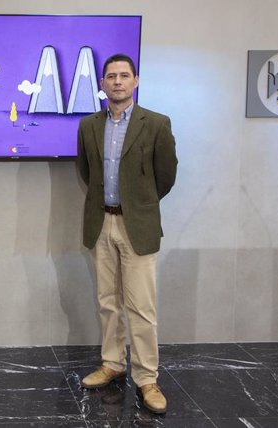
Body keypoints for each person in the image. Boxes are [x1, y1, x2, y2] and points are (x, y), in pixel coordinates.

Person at [76, 54, 177, 414]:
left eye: (124, 76)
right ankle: (112, 363)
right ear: (102, 84)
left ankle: (147, 378)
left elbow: (165, 177)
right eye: (111, 76)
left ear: (135, 81)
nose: (117, 82)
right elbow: (87, 171)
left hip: (138, 225)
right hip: (101, 222)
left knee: (141, 308)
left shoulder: (157, 124)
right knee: (107, 301)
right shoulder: (89, 125)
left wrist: (138, 205)